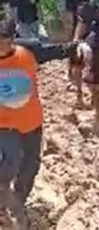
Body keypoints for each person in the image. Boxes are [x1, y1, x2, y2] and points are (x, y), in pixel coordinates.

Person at [0, 16, 77, 230]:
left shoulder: (29, 52)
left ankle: (18, 200)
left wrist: (78, 47)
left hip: (31, 120)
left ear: (13, 39)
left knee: (31, 164)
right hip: (3, 124)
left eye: (4, 41)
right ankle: (4, 201)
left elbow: (54, 51)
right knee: (11, 160)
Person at [62, 0, 99, 107]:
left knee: (96, 66)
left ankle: (95, 97)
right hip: (77, 31)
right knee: (77, 63)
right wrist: (70, 36)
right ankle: (79, 94)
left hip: (97, 34)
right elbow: (67, 16)